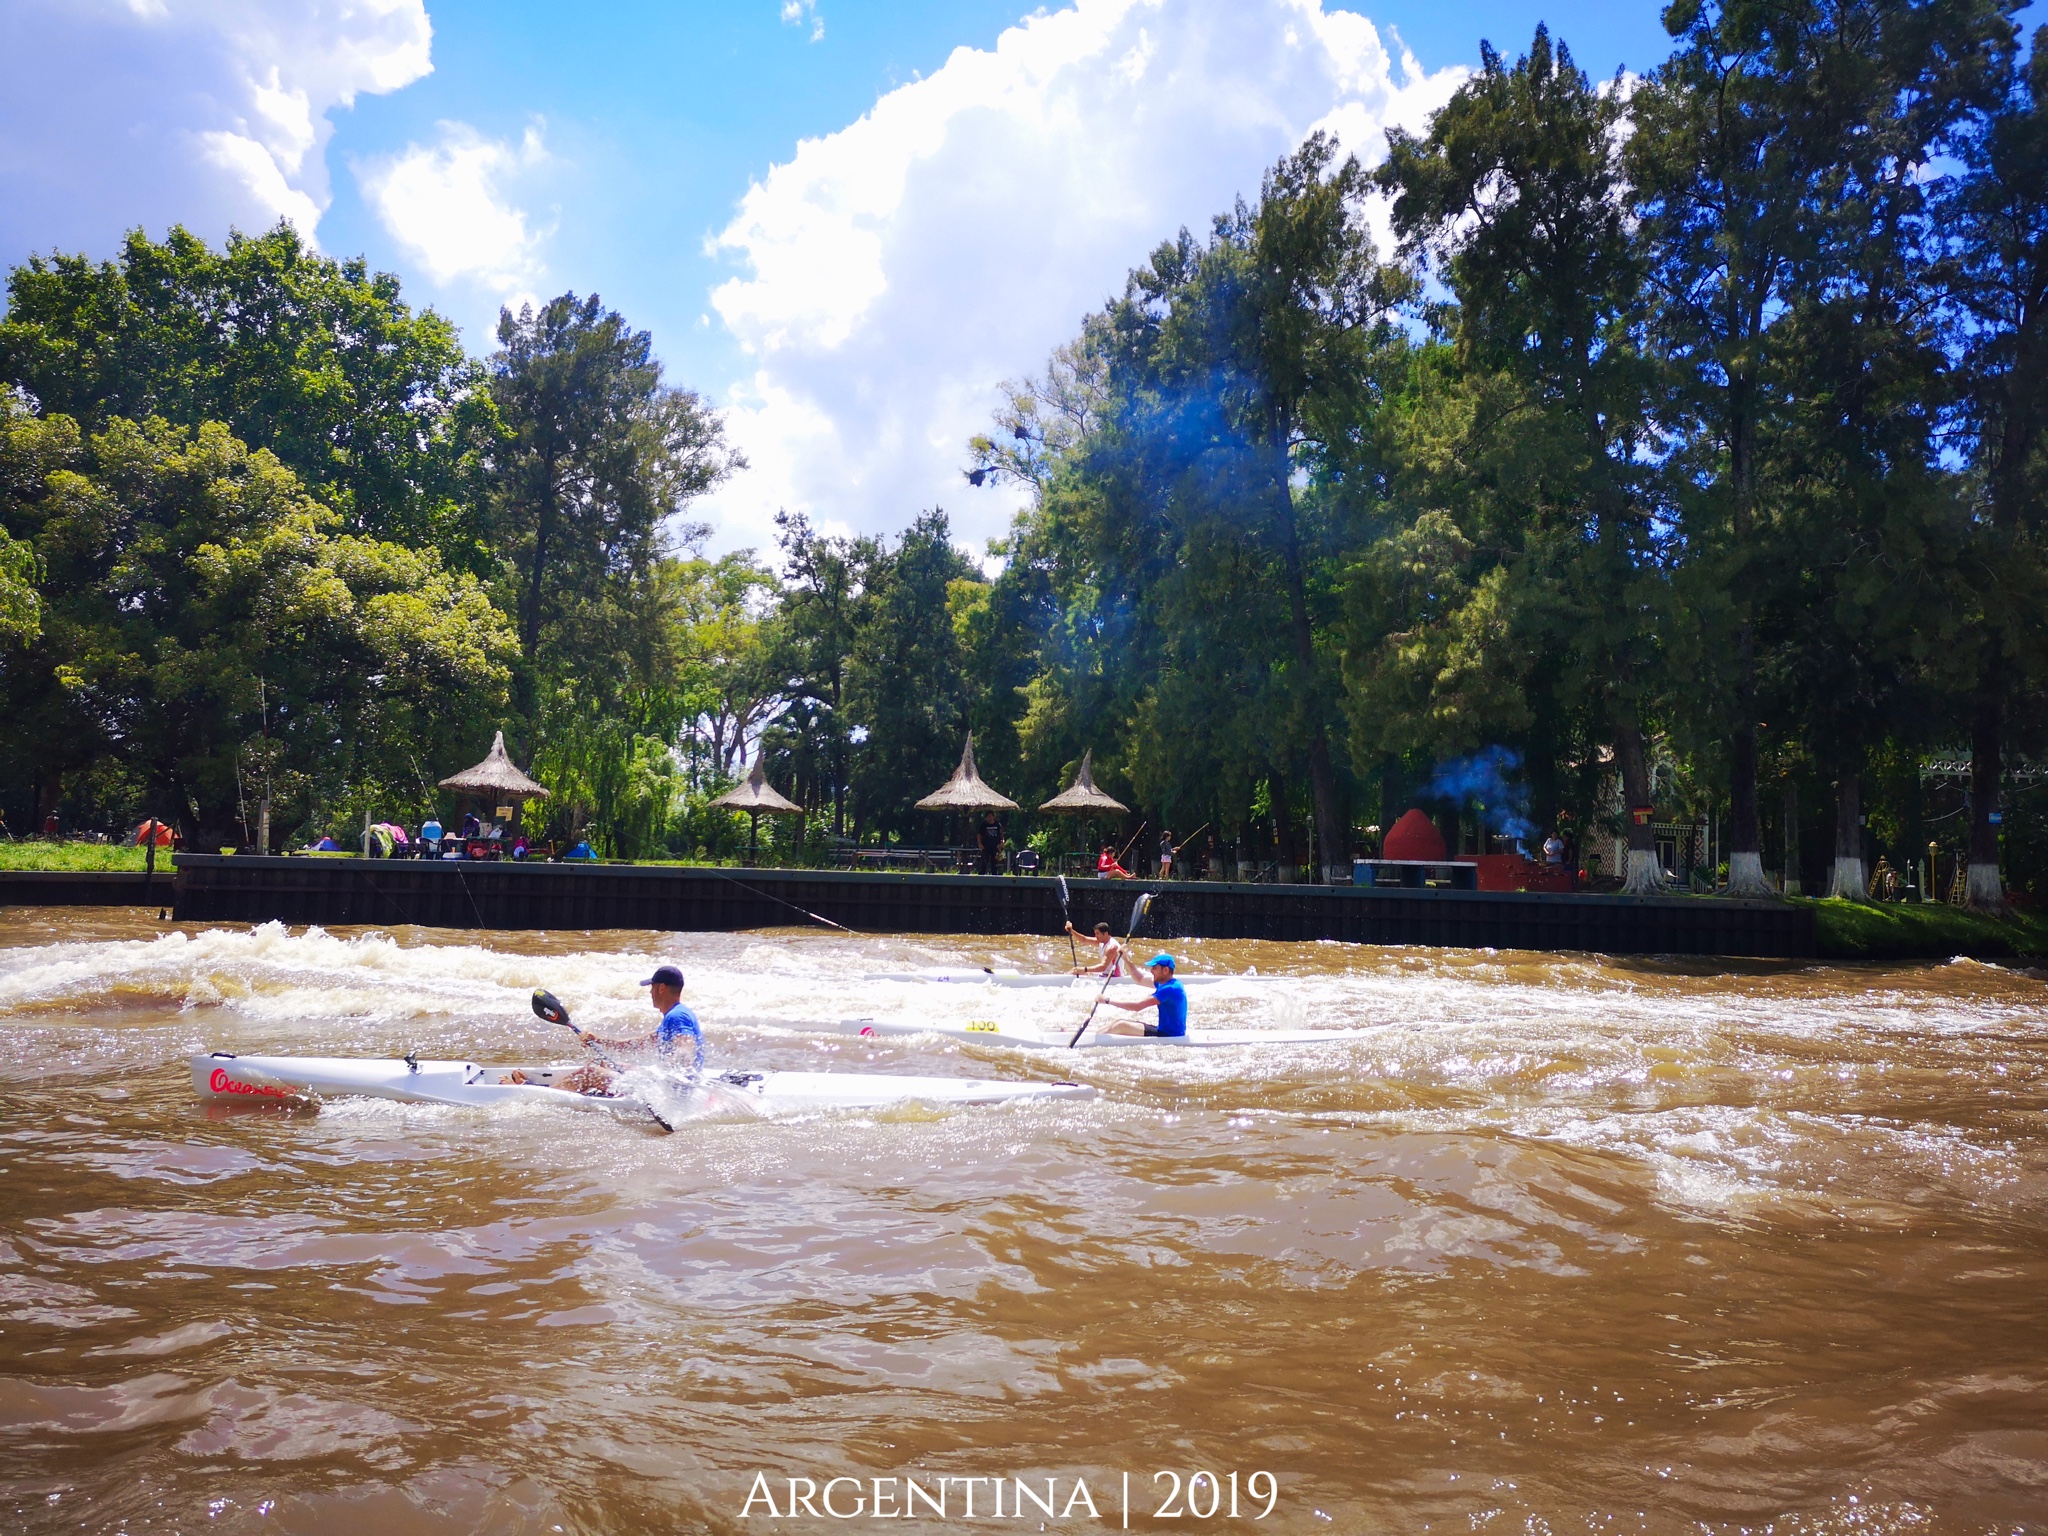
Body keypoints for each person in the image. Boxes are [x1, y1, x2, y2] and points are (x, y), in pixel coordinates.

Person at [544, 963, 705, 1095]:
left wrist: (660, 1074)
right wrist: (599, 1041)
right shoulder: (676, 1015)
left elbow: (685, 1051)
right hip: (666, 1087)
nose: (650, 992)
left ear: (661, 988)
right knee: (600, 1062)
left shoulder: (677, 1016)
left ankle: (547, 1096)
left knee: (591, 1072)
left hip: (668, 1094)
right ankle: (573, 1093)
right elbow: (637, 1043)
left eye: (652, 987)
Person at [1096, 953, 1188, 1038]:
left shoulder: (1170, 988)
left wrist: (1107, 1000)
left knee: (1120, 1025)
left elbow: (1137, 1006)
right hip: (1165, 1030)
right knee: (1117, 1022)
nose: (1151, 971)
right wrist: (1126, 958)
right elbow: (1140, 978)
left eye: (1155, 968)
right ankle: (1094, 1035)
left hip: (1169, 1035)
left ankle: (1092, 1039)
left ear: (1165, 970)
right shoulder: (1165, 983)